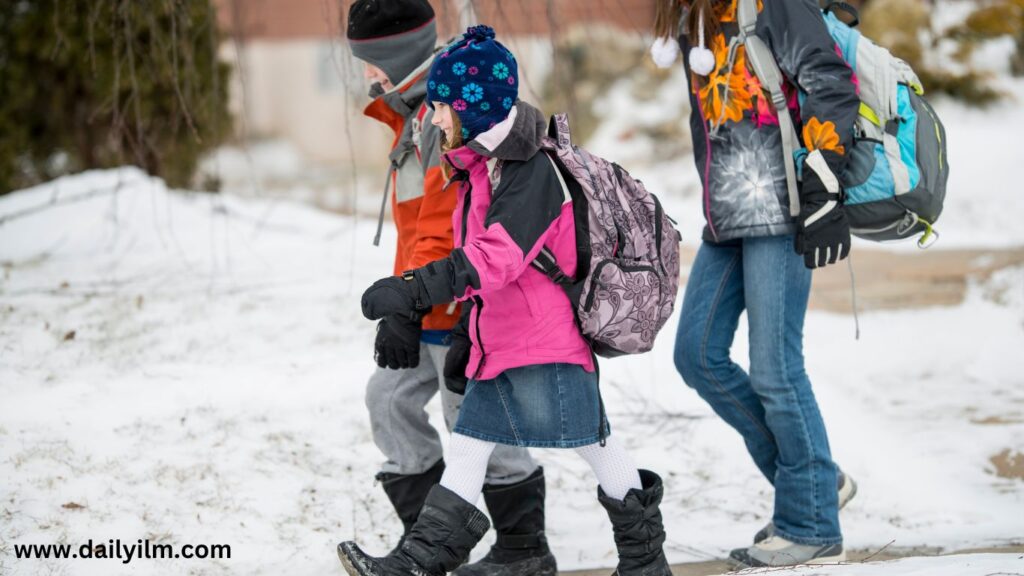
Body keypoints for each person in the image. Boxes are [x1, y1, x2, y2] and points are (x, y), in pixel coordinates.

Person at [338, 25, 672, 576]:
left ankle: (644, 562)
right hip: (505, 342)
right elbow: (483, 271)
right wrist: (463, 333)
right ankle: (419, 563)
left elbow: (495, 258)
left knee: (597, 446)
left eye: (443, 108)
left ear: (472, 106)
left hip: (545, 344)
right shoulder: (483, 168)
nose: (437, 119)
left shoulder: (531, 170)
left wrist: (412, 292)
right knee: (470, 449)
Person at [345, 4, 556, 574]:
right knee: (388, 400)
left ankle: (523, 550)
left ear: (395, 56)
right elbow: (415, 228)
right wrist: (401, 303)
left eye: (373, 64)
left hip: (463, 303)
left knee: (479, 424)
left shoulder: (452, 112)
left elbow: (454, 228)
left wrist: (416, 301)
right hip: (421, 298)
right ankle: (427, 544)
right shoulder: (409, 120)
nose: (369, 77)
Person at [653, 0, 861, 567]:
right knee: (697, 356)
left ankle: (812, 524)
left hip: (782, 207)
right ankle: (817, 483)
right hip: (726, 218)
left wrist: (822, 189)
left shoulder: (774, 4)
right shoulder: (694, 18)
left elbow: (831, 83)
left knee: (775, 370)